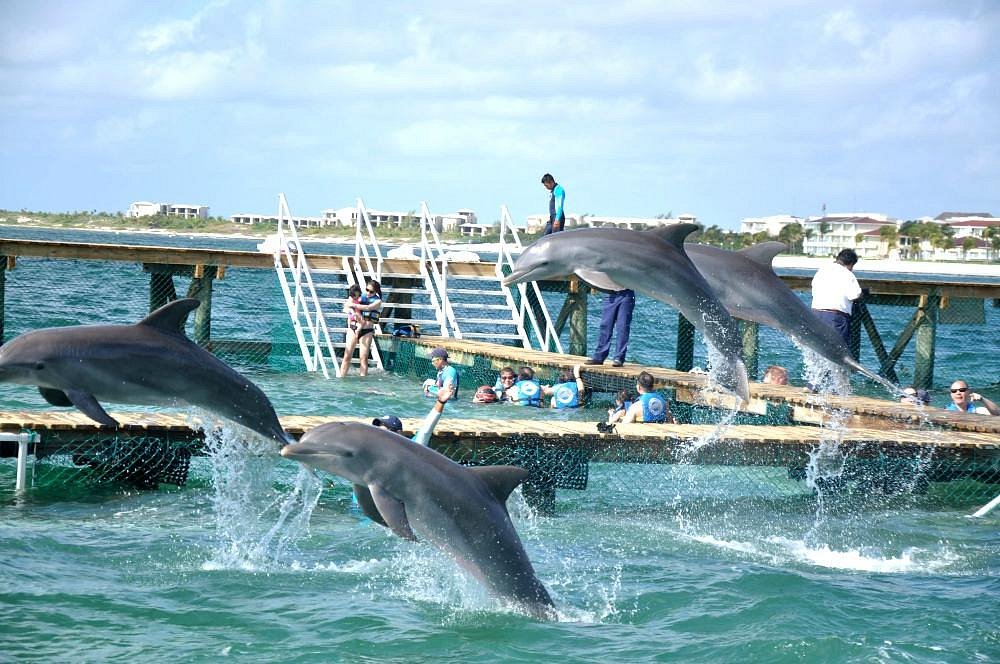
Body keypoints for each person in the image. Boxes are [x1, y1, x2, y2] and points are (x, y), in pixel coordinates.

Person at [810, 248, 862, 346]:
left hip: (815, 315)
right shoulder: (847, 274)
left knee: (819, 349)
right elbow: (854, 295)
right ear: (850, 263)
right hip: (835, 317)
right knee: (839, 351)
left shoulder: (822, 271)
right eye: (852, 266)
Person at [373, 386, 453, 446]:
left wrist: (440, 402)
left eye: (384, 432)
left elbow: (425, 430)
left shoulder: (411, 449)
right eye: (378, 431)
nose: (380, 436)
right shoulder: (376, 449)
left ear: (398, 433)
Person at [340, 280, 383, 377]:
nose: (368, 293)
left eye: (371, 292)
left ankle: (362, 380)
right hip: (353, 328)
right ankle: (341, 377)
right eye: (367, 290)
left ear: (376, 291)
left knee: (363, 358)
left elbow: (368, 308)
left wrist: (354, 305)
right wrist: (351, 306)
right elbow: (349, 302)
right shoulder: (359, 296)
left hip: (366, 331)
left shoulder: (378, 301)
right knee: (347, 356)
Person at [585, 289, 635, 367]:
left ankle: (619, 358)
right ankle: (599, 357)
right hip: (610, 294)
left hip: (626, 294)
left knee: (622, 327)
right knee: (605, 326)